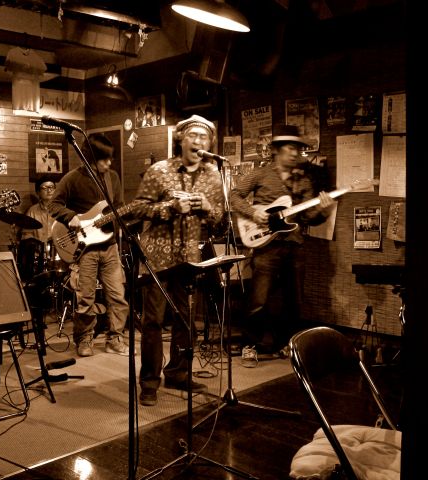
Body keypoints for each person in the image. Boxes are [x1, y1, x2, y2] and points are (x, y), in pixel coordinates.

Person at [130, 115, 224, 406]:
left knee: (186, 319)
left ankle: (178, 373)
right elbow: (137, 208)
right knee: (153, 321)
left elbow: (219, 218)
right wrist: (170, 208)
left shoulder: (213, 175)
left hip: (189, 257)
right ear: (181, 139)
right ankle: (149, 382)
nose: (198, 141)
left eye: (204, 137)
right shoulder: (159, 170)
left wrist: (208, 208)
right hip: (157, 256)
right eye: (193, 135)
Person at [229, 124, 335, 367]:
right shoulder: (260, 174)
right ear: (276, 150)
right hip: (265, 245)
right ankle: (250, 346)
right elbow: (234, 195)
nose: (296, 153)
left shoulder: (304, 180)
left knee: (294, 300)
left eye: (298, 149)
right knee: (258, 299)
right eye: (290, 148)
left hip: (294, 245)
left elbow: (308, 218)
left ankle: (287, 344)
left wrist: (323, 209)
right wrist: (253, 213)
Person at [49, 132, 129, 357]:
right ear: (90, 158)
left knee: (118, 296)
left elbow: (119, 206)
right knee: (85, 298)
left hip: (109, 246)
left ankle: (115, 338)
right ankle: (84, 339)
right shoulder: (72, 179)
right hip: (84, 249)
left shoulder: (112, 178)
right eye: (104, 159)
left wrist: (128, 214)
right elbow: (54, 205)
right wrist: (70, 216)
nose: (109, 163)